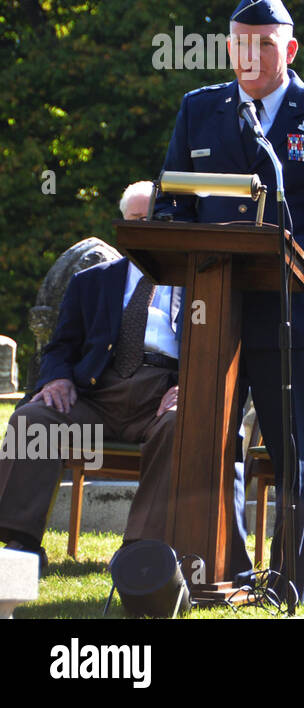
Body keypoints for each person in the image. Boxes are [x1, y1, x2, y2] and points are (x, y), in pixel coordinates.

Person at [154, 0, 304, 601]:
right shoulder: (199, 111)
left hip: (293, 311)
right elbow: (172, 200)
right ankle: (225, 574)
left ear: (290, 48)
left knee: (296, 452)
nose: (252, 55)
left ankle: (288, 587)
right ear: (229, 49)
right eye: (242, 44)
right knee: (213, 443)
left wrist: (294, 257)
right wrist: (175, 241)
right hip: (215, 313)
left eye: (265, 44)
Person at [0, 182, 182, 571]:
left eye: (153, 218)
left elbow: (217, 347)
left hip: (160, 397)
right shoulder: (92, 281)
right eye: (135, 220)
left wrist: (191, 387)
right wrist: (56, 380)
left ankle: (139, 553)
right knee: (34, 419)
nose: (145, 226)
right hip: (96, 399)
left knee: (181, 425)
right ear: (123, 224)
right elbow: (60, 348)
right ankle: (20, 544)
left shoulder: (198, 281)